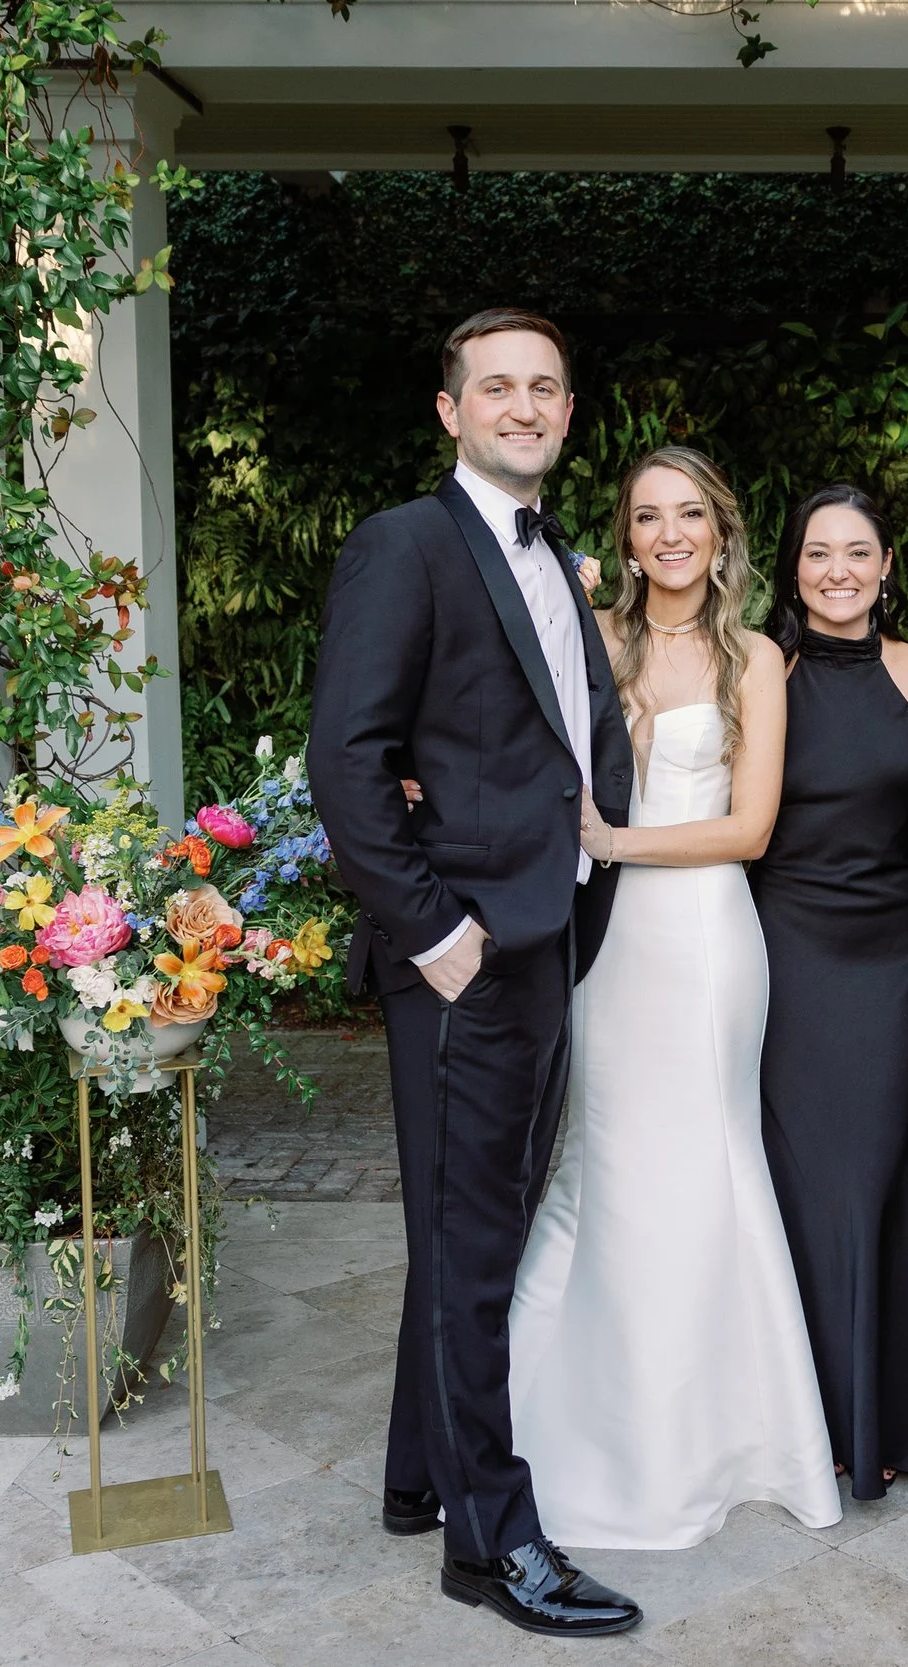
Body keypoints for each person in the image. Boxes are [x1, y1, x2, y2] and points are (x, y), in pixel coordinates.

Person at [306, 308, 644, 1636]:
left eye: (544, 386)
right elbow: (348, 759)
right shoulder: (406, 543)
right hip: (467, 956)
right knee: (474, 1247)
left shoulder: (556, 557)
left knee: (473, 1227)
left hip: (543, 933)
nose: (522, 404)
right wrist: (435, 933)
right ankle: (490, 1541)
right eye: (494, 386)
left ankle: (414, 1476)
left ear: (567, 411)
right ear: (449, 410)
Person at [506, 445, 845, 1549]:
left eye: (688, 513)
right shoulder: (592, 640)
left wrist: (614, 840)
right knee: (602, 1156)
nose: (668, 534)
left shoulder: (756, 658)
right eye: (647, 516)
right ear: (626, 535)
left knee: (706, 1155)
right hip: (603, 944)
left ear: (719, 528)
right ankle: (543, 1420)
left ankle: (723, 1434)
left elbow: (751, 829)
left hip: (703, 941)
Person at [754, 484, 908, 1502]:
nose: (837, 569)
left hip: (890, 957)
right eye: (817, 551)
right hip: (780, 950)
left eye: (858, 551)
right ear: (793, 567)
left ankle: (884, 1413)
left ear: (886, 566)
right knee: (800, 1182)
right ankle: (814, 1418)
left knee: (871, 1179)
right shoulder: (757, 671)